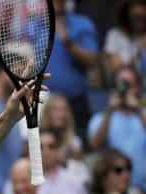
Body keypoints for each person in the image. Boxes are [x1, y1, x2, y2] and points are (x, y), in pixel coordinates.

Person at [88, 65, 146, 194]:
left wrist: (139, 110)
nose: (125, 89)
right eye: (121, 84)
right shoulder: (101, 118)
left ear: (138, 87)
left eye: (129, 84)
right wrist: (110, 110)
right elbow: (95, 145)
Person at [105, 0, 146, 121]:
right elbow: (116, 72)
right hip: (127, 104)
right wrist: (136, 55)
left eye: (142, 8)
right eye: (134, 9)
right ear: (126, 12)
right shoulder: (115, 35)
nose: (138, 12)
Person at [44, 0, 99, 137]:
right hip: (43, 101)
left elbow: (93, 60)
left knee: (78, 144)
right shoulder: (33, 25)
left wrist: (69, 43)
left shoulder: (82, 24)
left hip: (76, 100)